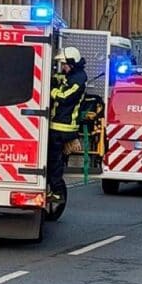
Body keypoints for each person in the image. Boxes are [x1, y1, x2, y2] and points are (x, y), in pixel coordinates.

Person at [47, 47, 88, 201]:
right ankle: (54, 187)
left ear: (72, 63)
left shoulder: (78, 80)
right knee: (54, 160)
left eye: (64, 64)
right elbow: (62, 79)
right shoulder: (72, 75)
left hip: (63, 127)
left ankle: (57, 190)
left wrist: (50, 90)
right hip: (59, 125)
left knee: (54, 160)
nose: (63, 67)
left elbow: (64, 97)